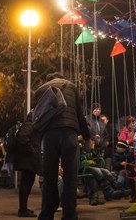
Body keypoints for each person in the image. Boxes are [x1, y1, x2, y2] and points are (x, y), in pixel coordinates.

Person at [37, 72, 91, 220]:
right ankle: (69, 215)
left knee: (50, 177)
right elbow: (80, 116)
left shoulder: (41, 89)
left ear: (48, 79)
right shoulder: (71, 87)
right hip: (69, 133)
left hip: (49, 135)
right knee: (70, 177)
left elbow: (39, 117)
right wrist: (87, 138)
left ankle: (47, 214)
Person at [14, 111, 41, 217]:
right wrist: (32, 151)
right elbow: (23, 139)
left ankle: (24, 208)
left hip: (28, 160)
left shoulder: (29, 125)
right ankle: (22, 210)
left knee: (28, 183)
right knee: (26, 183)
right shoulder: (28, 125)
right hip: (27, 160)